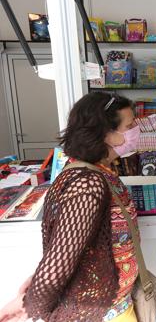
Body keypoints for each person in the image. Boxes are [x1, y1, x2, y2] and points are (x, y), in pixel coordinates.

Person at [0, 92, 141, 322]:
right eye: (130, 125)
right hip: (100, 313)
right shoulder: (87, 183)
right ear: (107, 134)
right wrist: (30, 304)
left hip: (112, 306)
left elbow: (76, 241)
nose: (136, 129)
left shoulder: (98, 173)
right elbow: (62, 252)